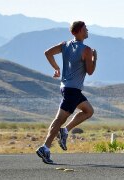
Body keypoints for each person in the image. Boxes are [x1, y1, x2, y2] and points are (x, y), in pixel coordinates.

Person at [36, 21, 97, 164]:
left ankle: (65, 131)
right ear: (81, 30)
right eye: (86, 29)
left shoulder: (65, 45)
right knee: (59, 119)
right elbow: (90, 71)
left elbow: (48, 53)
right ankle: (45, 147)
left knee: (88, 111)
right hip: (73, 90)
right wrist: (95, 58)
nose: (87, 31)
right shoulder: (86, 50)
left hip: (66, 88)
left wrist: (56, 68)